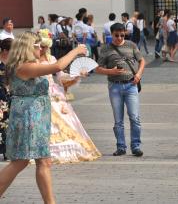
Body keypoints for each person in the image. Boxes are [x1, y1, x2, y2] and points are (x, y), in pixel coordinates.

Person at [0, 32, 86, 203]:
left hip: (35, 118)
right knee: (20, 161)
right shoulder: (23, 66)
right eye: (38, 46)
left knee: (43, 161)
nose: (41, 48)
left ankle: (50, 202)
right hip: (28, 118)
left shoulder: (27, 64)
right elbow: (57, 67)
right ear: (28, 48)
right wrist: (76, 51)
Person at [38, 31, 101, 163]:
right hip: (38, 96)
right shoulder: (31, 61)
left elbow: (61, 78)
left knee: (65, 123)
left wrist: (76, 74)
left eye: (44, 46)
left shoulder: (52, 59)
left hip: (53, 94)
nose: (42, 49)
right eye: (40, 46)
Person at [95, 23, 145, 157]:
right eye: (116, 35)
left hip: (131, 86)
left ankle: (135, 146)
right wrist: (110, 71)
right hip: (115, 87)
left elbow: (142, 61)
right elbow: (97, 68)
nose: (119, 38)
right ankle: (121, 146)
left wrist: (139, 75)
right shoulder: (106, 49)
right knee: (118, 120)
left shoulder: (131, 45)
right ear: (111, 34)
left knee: (134, 117)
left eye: (122, 35)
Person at [0, 38, 12, 161]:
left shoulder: (13, 63)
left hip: (9, 97)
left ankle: (7, 151)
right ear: (4, 50)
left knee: (8, 124)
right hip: (0, 97)